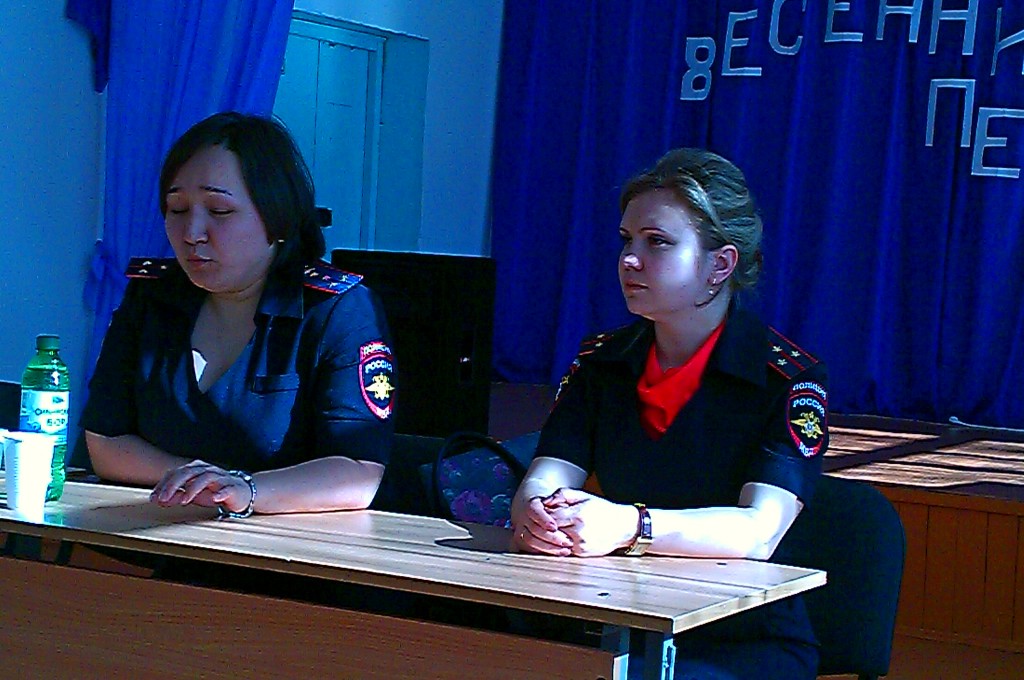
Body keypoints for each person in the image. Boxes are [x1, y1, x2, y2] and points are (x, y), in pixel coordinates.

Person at [510, 148, 827, 678]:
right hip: (617, 614)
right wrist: (536, 514)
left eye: (656, 242)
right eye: (626, 240)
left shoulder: (785, 378)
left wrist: (630, 526)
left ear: (719, 265)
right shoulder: (603, 362)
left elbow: (758, 531)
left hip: (736, 637)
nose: (629, 260)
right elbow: (547, 474)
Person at [81, 112, 396, 519]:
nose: (192, 232)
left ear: (277, 218)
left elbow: (358, 472)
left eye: (219, 211)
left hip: (284, 547)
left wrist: (247, 490)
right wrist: (199, 481)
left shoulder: (337, 310)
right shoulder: (152, 297)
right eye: (177, 209)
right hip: (151, 532)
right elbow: (105, 441)